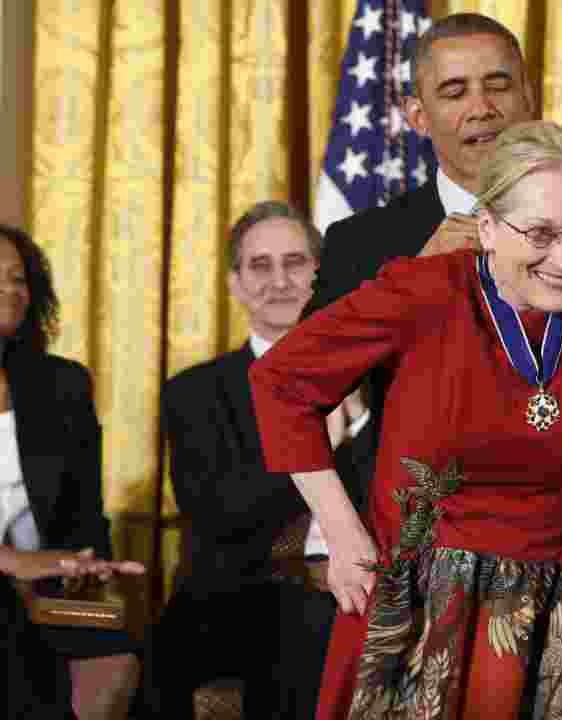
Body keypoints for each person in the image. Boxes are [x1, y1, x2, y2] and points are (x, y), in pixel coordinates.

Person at [302, 13, 562, 712]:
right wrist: (411, 278)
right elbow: (300, 390)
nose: (480, 108)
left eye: (498, 85)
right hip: (411, 569)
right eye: (454, 90)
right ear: (416, 113)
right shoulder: (366, 241)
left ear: (528, 97)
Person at [251, 121, 562, 718]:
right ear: (488, 228)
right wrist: (344, 535)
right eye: (540, 234)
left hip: (547, 610)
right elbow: (280, 383)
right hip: (414, 604)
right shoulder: (422, 292)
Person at [145, 202, 370, 718]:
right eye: (260, 266)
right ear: (236, 283)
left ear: (320, 274)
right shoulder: (195, 393)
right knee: (305, 628)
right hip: (239, 594)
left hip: (360, 587)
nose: (279, 281)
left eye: (295, 263)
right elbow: (221, 514)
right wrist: (319, 442)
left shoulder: (372, 382)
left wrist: (358, 423)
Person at [0, 224, 145, 719]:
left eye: (19, 279)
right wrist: (13, 563)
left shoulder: (63, 385)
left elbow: (86, 512)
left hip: (48, 594)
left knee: (117, 646)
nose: (11, 291)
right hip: (12, 593)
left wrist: (90, 566)